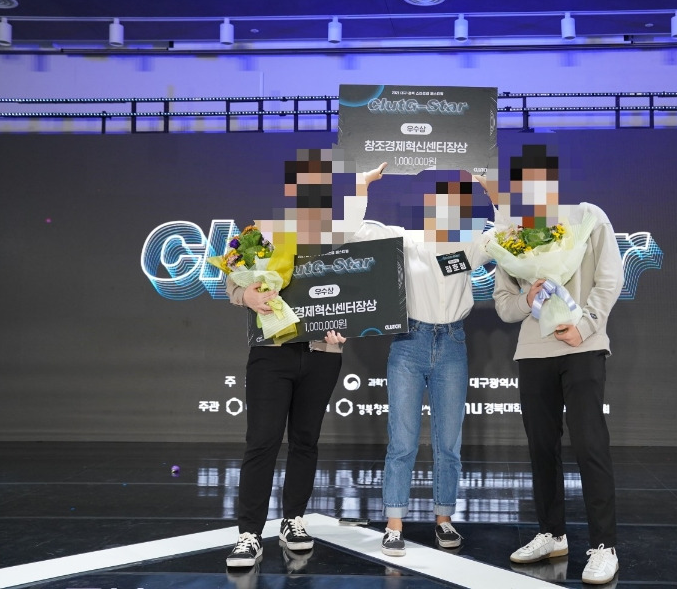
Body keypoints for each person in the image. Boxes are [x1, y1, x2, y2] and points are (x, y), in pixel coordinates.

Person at [223, 156, 384, 568]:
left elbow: (356, 290)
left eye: (321, 184)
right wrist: (246, 296)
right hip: (271, 352)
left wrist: (345, 323)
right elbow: (232, 280)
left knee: (305, 440)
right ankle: (248, 534)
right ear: (291, 189)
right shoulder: (262, 233)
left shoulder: (338, 236)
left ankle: (293, 520)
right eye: (306, 184)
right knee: (262, 440)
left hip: (322, 354)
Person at [491, 144, 624, 585]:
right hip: (534, 351)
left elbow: (609, 279)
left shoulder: (587, 217)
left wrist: (584, 326)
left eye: (539, 180)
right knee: (541, 447)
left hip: (583, 346)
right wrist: (527, 299)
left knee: (589, 444)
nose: (532, 190)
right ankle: (552, 533)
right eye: (523, 183)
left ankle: (604, 546)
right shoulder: (510, 234)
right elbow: (504, 304)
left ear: (552, 181)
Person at [351, 168, 499, 557]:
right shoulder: (406, 239)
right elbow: (356, 232)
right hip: (409, 343)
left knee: (448, 443)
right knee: (402, 440)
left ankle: (444, 518)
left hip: (452, 344)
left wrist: (492, 189)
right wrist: (362, 186)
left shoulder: (469, 244)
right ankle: (394, 523)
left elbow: (506, 237)